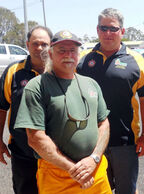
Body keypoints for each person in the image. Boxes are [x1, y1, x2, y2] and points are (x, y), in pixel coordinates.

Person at [14, 30, 112, 194]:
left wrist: (94, 158)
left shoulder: (91, 84)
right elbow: (35, 138)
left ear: (78, 54)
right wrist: (74, 170)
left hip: (95, 172)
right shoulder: (37, 86)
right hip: (58, 177)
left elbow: (104, 123)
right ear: (51, 55)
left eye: (72, 50)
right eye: (62, 51)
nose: (68, 55)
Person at [77, 8, 144, 194]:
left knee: (127, 189)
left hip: (125, 141)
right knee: (94, 189)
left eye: (113, 29)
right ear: (97, 30)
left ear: (122, 31)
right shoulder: (83, 60)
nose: (108, 33)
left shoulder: (136, 61)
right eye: (103, 28)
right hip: (89, 142)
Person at [0, 26, 52, 194]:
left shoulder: (60, 71)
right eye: (35, 43)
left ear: (51, 46)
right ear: (28, 45)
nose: (39, 48)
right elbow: (2, 108)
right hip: (23, 153)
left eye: (44, 44)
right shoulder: (13, 72)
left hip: (56, 154)